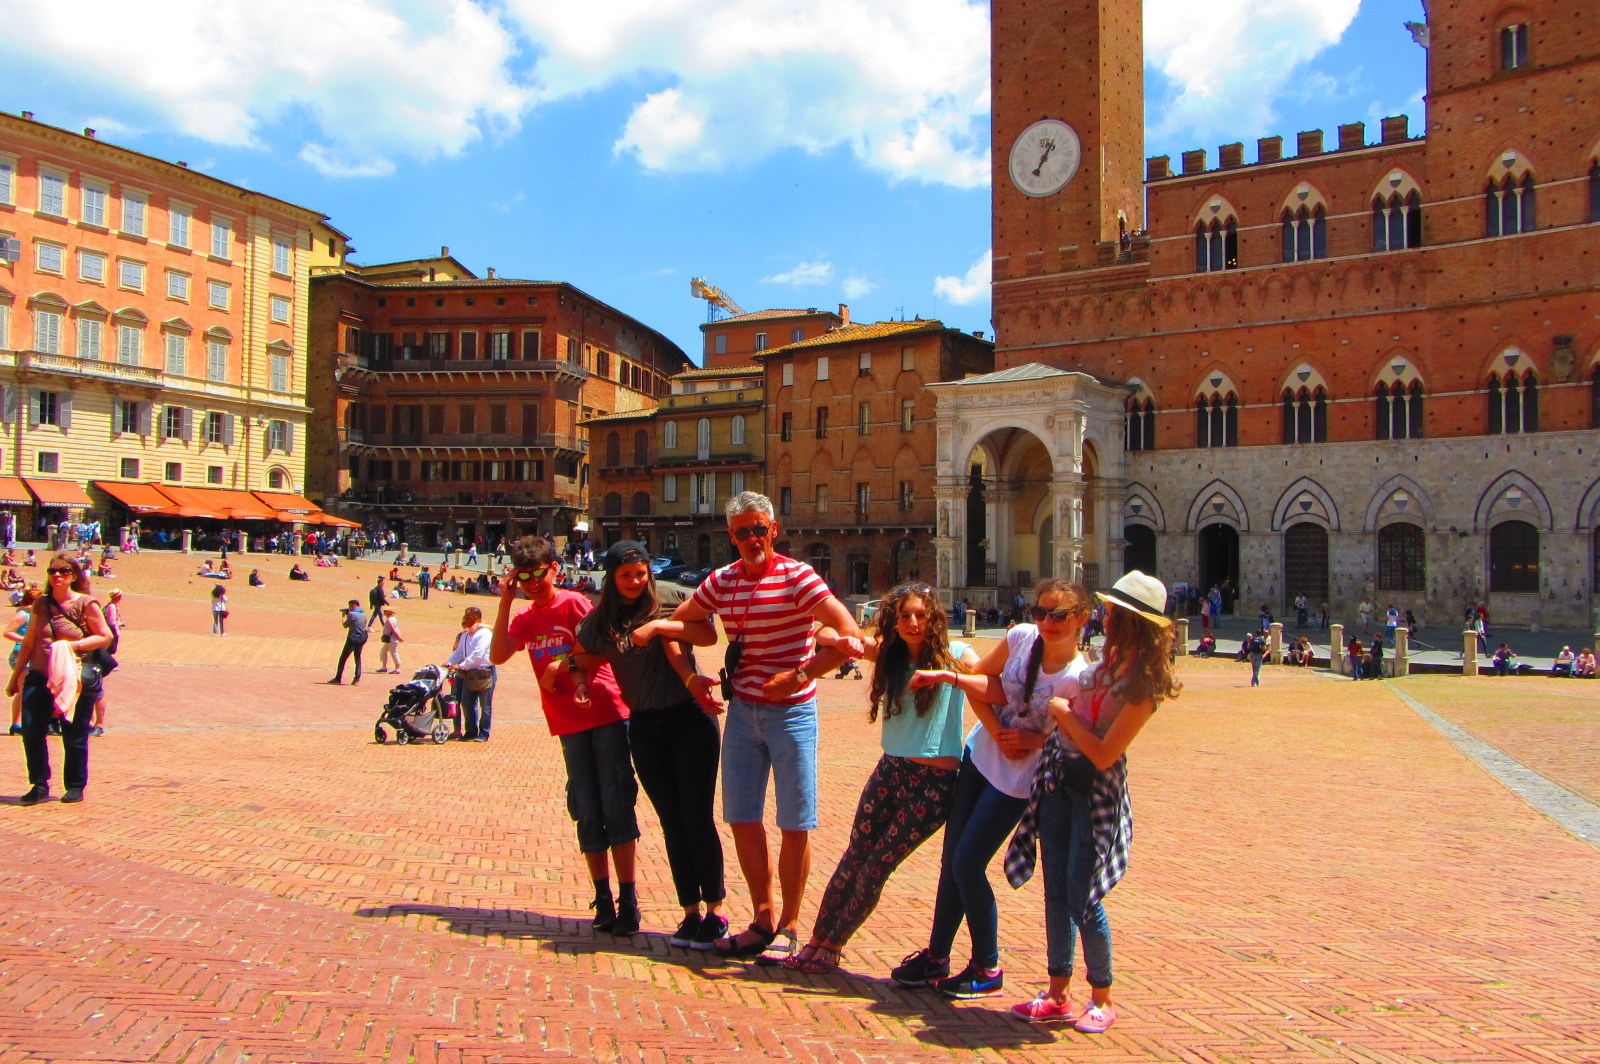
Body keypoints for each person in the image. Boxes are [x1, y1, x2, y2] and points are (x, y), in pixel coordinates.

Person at [659, 491, 865, 961]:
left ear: (773, 530)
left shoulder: (799, 577)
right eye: (742, 532)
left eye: (759, 530)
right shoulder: (722, 581)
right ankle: (762, 919)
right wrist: (690, 678)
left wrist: (800, 675)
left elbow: (848, 633)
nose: (752, 539)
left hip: (793, 713)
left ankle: (789, 925)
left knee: (795, 822)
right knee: (742, 818)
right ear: (730, 536)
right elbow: (678, 625)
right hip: (742, 715)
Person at [1000, 570, 1182, 1032]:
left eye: (1114, 614)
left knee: (1083, 893)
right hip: (1059, 777)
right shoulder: (1105, 664)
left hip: (1093, 790)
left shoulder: (1142, 687)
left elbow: (1104, 754)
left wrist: (1063, 715)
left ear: (1133, 623)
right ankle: (1058, 993)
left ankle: (1102, 997)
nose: (1106, 618)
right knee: (1056, 890)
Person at [893, 579, 1091, 1000]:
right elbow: (976, 681)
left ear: (1082, 619)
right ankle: (938, 956)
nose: (1047, 622)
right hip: (979, 756)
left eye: (1058, 615)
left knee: (967, 864)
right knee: (952, 861)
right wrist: (995, 729)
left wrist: (1036, 740)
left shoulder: (1079, 677)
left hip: (1017, 781)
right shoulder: (1021, 638)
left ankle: (987, 968)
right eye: (1040, 612)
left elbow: (1081, 746)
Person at [782, 583, 978, 974]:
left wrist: (951, 676)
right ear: (894, 621)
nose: (913, 623)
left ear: (934, 619)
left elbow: (993, 677)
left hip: (933, 783)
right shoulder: (890, 654)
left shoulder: (957, 655)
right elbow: (823, 631)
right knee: (854, 856)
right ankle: (817, 940)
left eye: (921, 615)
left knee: (876, 865)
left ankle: (833, 945)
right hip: (890, 771)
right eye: (905, 616)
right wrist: (843, 641)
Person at [575, 541, 727, 949]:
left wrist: (660, 627)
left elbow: (707, 634)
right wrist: (575, 677)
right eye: (626, 575)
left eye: (641, 573)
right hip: (644, 726)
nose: (635, 581)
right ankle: (690, 912)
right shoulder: (601, 620)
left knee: (696, 816)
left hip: (690, 719)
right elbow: (582, 653)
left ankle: (715, 912)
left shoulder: (672, 598)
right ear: (612, 578)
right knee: (671, 821)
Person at [491, 535, 640, 935]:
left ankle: (628, 899)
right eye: (524, 577)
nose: (532, 583)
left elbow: (604, 648)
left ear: (554, 569)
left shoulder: (573, 603)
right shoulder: (525, 617)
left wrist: (562, 666)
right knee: (587, 810)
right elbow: (497, 655)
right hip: (567, 724)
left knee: (616, 804)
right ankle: (603, 899)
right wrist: (505, 602)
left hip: (605, 712)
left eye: (538, 573)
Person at [8, 554, 114, 804]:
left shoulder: (86, 603)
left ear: (73, 575)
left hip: (73, 676)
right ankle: (39, 784)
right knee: (31, 730)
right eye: (52, 571)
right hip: (40, 674)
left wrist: (73, 645)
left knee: (74, 733)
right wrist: (15, 677)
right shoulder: (41, 604)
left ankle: (75, 786)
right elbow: (29, 642)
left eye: (63, 571)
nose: (56, 575)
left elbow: (105, 636)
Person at [447, 607, 494, 740]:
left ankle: (484, 733)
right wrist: (450, 663)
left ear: (476, 618)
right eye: (465, 616)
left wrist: (461, 665)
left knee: (485, 705)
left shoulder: (484, 634)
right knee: (467, 703)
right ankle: (470, 731)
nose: (465, 619)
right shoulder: (465, 635)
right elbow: (459, 652)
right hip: (469, 673)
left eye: (468, 616)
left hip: (484, 674)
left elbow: (477, 655)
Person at [5, 588, 39, 736]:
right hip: (21, 655)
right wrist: (25, 640)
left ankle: (26, 723)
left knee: (30, 690)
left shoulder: (37, 615)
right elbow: (8, 632)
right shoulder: (23, 614)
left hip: (35, 655)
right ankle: (17, 724)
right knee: (23, 690)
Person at [92, 589, 123, 737]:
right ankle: (91, 723)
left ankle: (97, 724)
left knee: (96, 691)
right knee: (95, 692)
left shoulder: (113, 606)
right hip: (93, 657)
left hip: (96, 659)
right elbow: (111, 622)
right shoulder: (111, 607)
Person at [327, 600, 369, 685]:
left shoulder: (352, 614)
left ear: (353, 606)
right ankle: (357, 678)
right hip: (361, 639)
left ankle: (338, 678)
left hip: (352, 639)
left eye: (350, 606)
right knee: (357, 658)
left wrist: (343, 616)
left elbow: (345, 625)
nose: (349, 608)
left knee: (343, 658)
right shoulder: (364, 615)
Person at [376, 607, 404, 674]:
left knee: (394, 653)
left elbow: (393, 629)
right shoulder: (393, 619)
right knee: (383, 652)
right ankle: (384, 667)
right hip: (390, 639)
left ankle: (397, 668)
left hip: (391, 639)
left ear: (389, 612)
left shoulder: (389, 620)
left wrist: (399, 637)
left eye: (386, 611)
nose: (384, 612)